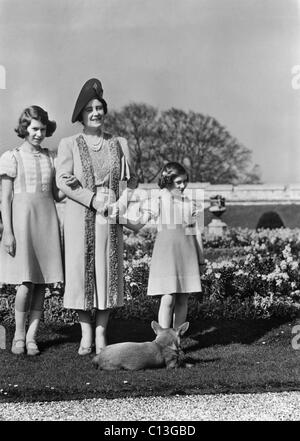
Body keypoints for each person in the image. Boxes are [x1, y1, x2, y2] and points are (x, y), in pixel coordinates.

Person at [56, 78, 138, 356]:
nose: (95, 113)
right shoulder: (69, 144)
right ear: (80, 114)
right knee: (80, 274)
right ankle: (85, 334)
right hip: (81, 217)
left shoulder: (119, 143)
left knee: (107, 274)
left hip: (110, 219)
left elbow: (131, 182)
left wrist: (120, 204)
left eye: (99, 107)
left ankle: (102, 333)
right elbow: (63, 181)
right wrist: (92, 200)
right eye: (89, 108)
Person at [0, 105, 71, 355]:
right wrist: (7, 232)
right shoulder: (12, 157)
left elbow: (56, 195)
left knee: (42, 283)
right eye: (34, 129)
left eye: (42, 129)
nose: (39, 134)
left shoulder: (51, 157)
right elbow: (5, 198)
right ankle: (18, 334)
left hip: (47, 221)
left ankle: (32, 337)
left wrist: (72, 185)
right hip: (22, 222)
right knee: (26, 282)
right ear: (24, 129)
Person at [138, 162, 205, 329]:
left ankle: (176, 337)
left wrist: (201, 260)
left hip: (187, 255)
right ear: (168, 181)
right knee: (168, 297)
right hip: (166, 254)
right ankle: (163, 337)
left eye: (185, 181)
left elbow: (196, 232)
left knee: (183, 298)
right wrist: (118, 218)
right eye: (179, 182)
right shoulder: (159, 199)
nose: (183, 186)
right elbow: (139, 222)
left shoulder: (191, 203)